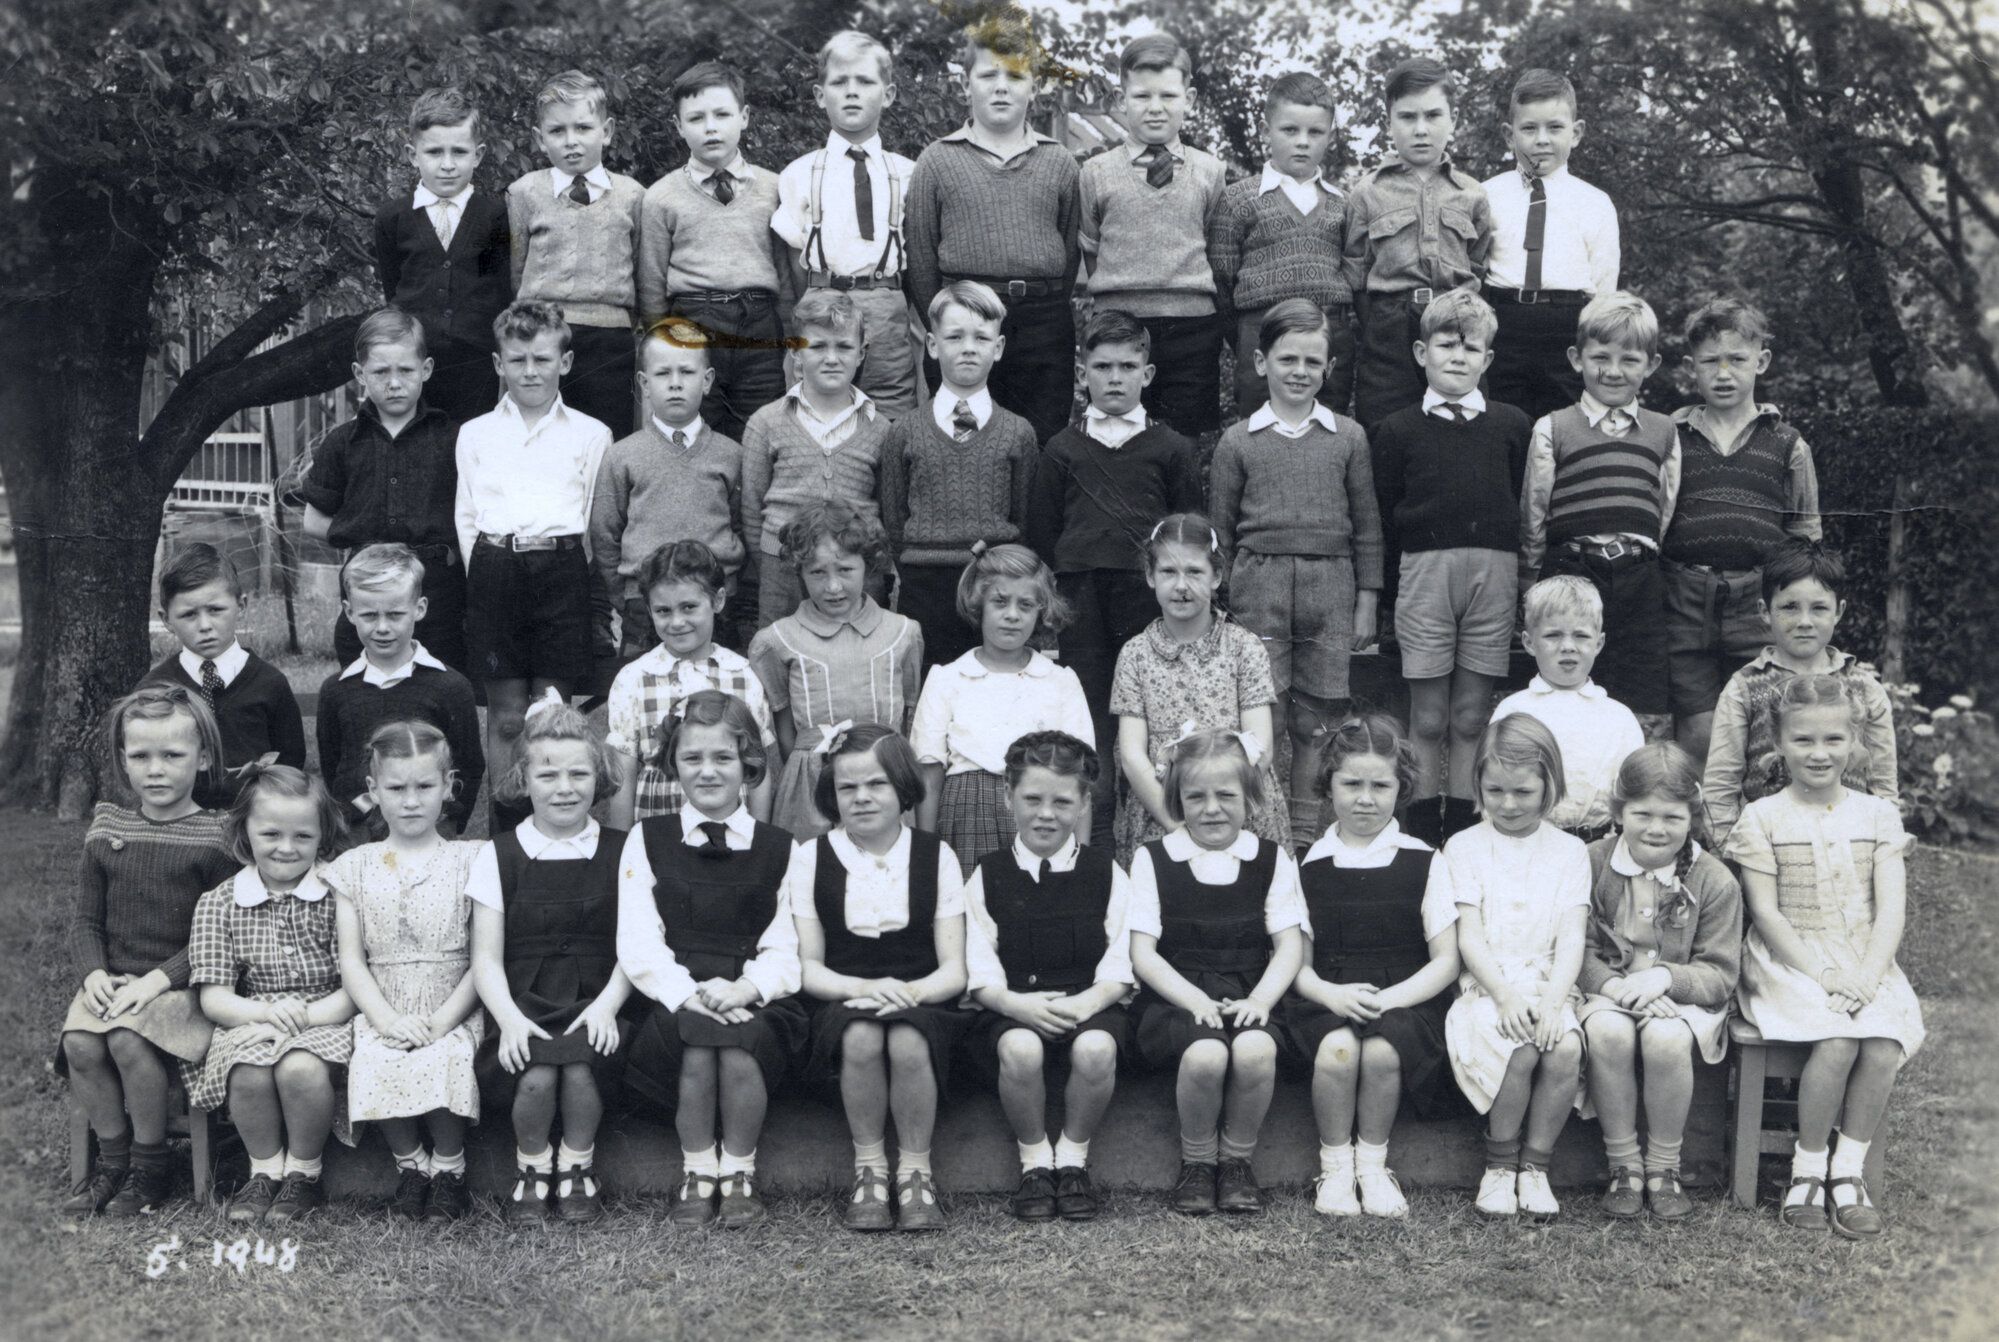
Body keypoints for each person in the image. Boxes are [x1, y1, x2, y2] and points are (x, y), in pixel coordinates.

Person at [1728, 675, 1924, 1238]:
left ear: (1855, 742)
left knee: (1882, 1043)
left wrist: (1865, 974)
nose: (1819, 753)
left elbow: (1890, 911)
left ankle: (1848, 1173)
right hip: (1790, 959)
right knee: (1836, 1041)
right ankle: (1806, 1171)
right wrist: (1826, 974)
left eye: (1834, 740)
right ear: (1779, 743)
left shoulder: (1878, 816)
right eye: (1804, 741)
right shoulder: (1763, 817)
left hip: (1867, 956)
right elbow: (1767, 913)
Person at [618, 690, 805, 1230]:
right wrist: (688, 996)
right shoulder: (646, 840)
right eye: (692, 758)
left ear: (747, 764)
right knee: (700, 1043)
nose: (707, 772)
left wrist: (746, 989)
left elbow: (785, 944)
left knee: (738, 1042)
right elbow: (638, 939)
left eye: (723, 758)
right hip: (673, 1000)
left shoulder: (779, 846)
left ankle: (739, 1171)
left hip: (754, 1001)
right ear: (672, 764)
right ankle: (698, 1170)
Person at [1209, 299, 1382, 840]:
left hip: (1331, 584)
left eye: (1312, 362)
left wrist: (1367, 599)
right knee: (1268, 718)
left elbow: (1367, 523)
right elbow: (1219, 531)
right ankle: (1263, 830)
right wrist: (1222, 599)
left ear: (1329, 369)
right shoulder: (1237, 440)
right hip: (1258, 585)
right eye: (1288, 359)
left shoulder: (1348, 436)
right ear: (1261, 363)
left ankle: (1305, 833)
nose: (1300, 372)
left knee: (1316, 723)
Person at [59, 687, 234, 1218]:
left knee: (126, 1038)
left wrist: (158, 980)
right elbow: (86, 919)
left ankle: (151, 1167)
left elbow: (220, 934)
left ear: (203, 757)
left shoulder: (217, 835)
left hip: (182, 986)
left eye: (172, 755)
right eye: (140, 756)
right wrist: (93, 973)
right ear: (122, 760)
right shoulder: (109, 826)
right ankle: (112, 1161)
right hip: (115, 980)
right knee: (80, 1044)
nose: (155, 770)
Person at [786, 725, 970, 1232]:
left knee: (909, 1038)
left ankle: (916, 1172)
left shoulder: (937, 855)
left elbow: (954, 970)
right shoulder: (810, 857)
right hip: (841, 994)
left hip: (923, 994)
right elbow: (808, 968)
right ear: (832, 794)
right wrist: (862, 990)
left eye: (877, 785)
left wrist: (908, 994)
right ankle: (869, 1169)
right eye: (848, 788)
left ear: (904, 789)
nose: (862, 798)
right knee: (863, 1035)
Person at [1025, 309, 1204, 821]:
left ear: (1147, 374)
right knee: (1093, 721)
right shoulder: (1062, 449)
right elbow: (1043, 535)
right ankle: (1096, 837)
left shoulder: (1171, 447)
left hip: (1147, 600)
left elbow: (1189, 535)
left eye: (1128, 366)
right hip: (1082, 602)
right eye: (1102, 366)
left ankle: (1157, 827)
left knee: (1152, 715)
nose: (1115, 377)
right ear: (1082, 374)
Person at [1368, 289, 1531, 846]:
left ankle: (1462, 833)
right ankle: (1416, 834)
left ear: (1487, 359)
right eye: (1446, 344)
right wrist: (1390, 598)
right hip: (1424, 577)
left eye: (1471, 348)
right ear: (1421, 352)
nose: (1457, 357)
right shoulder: (1396, 430)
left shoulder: (1512, 425)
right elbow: (1386, 519)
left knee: (1469, 717)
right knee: (1430, 718)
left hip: (1494, 576)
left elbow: (1520, 498)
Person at [469, 696, 635, 1224]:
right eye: (548, 775)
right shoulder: (497, 854)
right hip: (524, 1000)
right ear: (522, 779)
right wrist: (510, 1020)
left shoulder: (624, 849)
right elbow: (486, 959)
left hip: (598, 998)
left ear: (601, 776)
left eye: (578, 774)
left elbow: (636, 945)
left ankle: (578, 1166)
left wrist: (609, 1005)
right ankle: (533, 1166)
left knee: (582, 1070)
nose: (564, 788)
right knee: (537, 1076)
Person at [1286, 715, 1459, 1218]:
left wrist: (1390, 999)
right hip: (1331, 998)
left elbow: (1446, 960)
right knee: (1339, 1049)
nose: (1366, 798)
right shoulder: (1310, 864)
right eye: (1351, 784)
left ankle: (1373, 1165)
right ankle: (1336, 1165)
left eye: (1380, 785)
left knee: (1383, 1051)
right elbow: (1299, 965)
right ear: (1328, 786)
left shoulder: (1425, 859)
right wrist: (1331, 996)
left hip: (1407, 998)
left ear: (1401, 788)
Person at [1130, 729, 1307, 1216]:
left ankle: (1236, 1161)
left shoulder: (1269, 859)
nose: (1211, 808)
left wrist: (1261, 1002)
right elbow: (1143, 954)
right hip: (1177, 997)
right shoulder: (1154, 858)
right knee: (1206, 1055)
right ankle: (1198, 1162)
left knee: (1254, 1049)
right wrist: (1194, 1002)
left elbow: (1289, 945)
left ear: (1250, 797)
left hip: (1251, 991)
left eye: (1226, 795)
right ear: (1176, 799)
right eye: (1196, 797)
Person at [961, 731, 1134, 1222]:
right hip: (1012, 1008)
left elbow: (1123, 958)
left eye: (1062, 801)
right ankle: (1036, 1161)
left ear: (1083, 805)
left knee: (1096, 1048)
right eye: (1032, 799)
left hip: (1090, 1005)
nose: (1045, 814)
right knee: (1021, 1048)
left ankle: (1073, 1160)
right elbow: (978, 963)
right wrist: (1015, 1006)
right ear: (1008, 797)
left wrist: (1086, 1005)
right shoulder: (988, 874)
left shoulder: (1106, 872)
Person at [1423, 712, 1589, 1221]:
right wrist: (1506, 996)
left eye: (1522, 791)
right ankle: (1499, 1165)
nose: (1508, 804)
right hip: (1487, 988)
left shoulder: (1570, 851)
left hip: (1550, 984)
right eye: (1494, 790)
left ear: (1549, 785)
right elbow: (1468, 936)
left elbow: (1572, 936)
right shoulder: (1464, 847)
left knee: (1562, 1048)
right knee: (1516, 1045)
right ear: (1477, 785)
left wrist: (1554, 1003)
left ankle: (1535, 1168)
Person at [454, 299, 612, 829]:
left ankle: (551, 826)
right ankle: (506, 829)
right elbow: (467, 516)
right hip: (496, 570)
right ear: (498, 364)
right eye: (517, 359)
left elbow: (592, 518)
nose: (530, 371)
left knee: (548, 713)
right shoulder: (476, 433)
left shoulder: (591, 434)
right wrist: (489, 572)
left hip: (562, 575)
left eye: (542, 359)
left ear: (564, 363)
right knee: (503, 718)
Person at [1578, 742, 1741, 1221]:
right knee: (1608, 1031)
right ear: (1618, 811)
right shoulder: (1590, 863)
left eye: (1672, 817)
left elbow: (1720, 972)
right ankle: (1623, 1164)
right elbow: (1576, 947)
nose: (1655, 828)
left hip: (1679, 1002)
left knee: (1668, 1039)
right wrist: (1615, 988)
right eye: (1642, 813)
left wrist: (1664, 978)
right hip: (1604, 991)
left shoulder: (1714, 880)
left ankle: (1664, 1167)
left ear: (1693, 816)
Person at [186, 765, 356, 1226]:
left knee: (300, 1067)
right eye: (271, 833)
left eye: (303, 836)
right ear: (244, 831)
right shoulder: (219, 901)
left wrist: (305, 1019)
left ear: (324, 835)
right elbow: (215, 998)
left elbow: (354, 988)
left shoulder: (340, 894)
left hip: (327, 1014)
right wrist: (265, 1013)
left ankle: (304, 1173)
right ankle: (264, 1169)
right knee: (246, 1072)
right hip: (251, 1014)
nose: (286, 847)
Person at [328, 721, 483, 1224]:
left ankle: (449, 1170)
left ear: (449, 787)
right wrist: (387, 1019)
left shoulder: (474, 860)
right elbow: (352, 959)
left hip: (454, 1000)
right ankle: (411, 1166)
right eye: (396, 788)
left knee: (446, 1055)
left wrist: (440, 1022)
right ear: (373, 792)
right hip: (384, 1002)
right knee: (376, 1057)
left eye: (425, 786)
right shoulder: (353, 866)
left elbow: (484, 958)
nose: (411, 800)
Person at [905, 14, 1081, 443]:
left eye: (1015, 75)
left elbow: (1069, 253)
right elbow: (922, 257)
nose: (1001, 86)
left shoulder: (1059, 161)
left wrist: (1042, 302)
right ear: (966, 85)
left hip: (1043, 324)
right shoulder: (938, 160)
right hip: (964, 321)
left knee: (1042, 442)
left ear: (1035, 87)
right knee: (964, 439)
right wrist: (949, 320)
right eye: (988, 74)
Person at [1665, 297, 1822, 761]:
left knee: (1763, 723)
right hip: (1685, 595)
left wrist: (1794, 606)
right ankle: (1700, 828)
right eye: (1710, 361)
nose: (1724, 373)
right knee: (1696, 727)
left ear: (1762, 361)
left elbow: (1806, 535)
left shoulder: (1788, 444)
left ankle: (1754, 827)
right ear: (1691, 367)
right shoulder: (1669, 434)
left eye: (1737, 359)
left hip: (1757, 600)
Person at [1518, 290, 1678, 723]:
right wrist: (1532, 580)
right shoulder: (1553, 427)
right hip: (1572, 569)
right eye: (1600, 357)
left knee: (1641, 694)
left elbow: (1663, 508)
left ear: (1651, 365)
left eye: (1629, 360)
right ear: (1576, 358)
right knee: (1564, 686)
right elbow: (1536, 509)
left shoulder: (1664, 431)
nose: (1613, 371)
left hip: (1638, 578)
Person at [879, 281, 1039, 671]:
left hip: (994, 584)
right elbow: (893, 514)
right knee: (931, 684)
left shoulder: (1018, 432)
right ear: (933, 345)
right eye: (955, 336)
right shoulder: (905, 430)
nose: (969, 347)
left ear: (997, 348)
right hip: (925, 583)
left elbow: (1023, 517)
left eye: (981, 337)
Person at [299, 309, 470, 672]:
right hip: (367, 588)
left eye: (406, 371)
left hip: (436, 594)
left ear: (425, 370)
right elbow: (313, 521)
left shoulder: (453, 439)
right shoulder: (342, 442)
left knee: (436, 690)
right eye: (380, 372)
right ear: (360, 375)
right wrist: (366, 541)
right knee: (367, 693)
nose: (394, 383)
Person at [1112, 514, 1288, 863]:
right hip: (1162, 810)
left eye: (1194, 572)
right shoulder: (1135, 653)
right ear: (1150, 576)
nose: (1181, 585)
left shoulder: (1244, 647)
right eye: (1168, 572)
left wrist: (1226, 816)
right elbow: (1132, 755)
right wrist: (1177, 825)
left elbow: (1261, 747)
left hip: (1239, 810)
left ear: (1217, 577)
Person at [911, 544, 1093, 877]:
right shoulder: (947, 678)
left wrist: (1080, 858)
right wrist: (926, 853)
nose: (1012, 614)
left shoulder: (1060, 681)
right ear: (979, 604)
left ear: (1041, 610)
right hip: (966, 814)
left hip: (1041, 808)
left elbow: (1079, 778)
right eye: (1000, 601)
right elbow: (929, 778)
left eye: (1025, 605)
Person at [1701, 540, 1897, 848]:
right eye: (1790, 607)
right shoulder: (1744, 687)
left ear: (1838, 612)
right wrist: (1732, 855)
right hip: (1771, 851)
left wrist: (1886, 849)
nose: (1804, 621)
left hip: (1850, 847)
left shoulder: (1865, 688)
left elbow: (1883, 786)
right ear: (1765, 611)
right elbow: (1720, 786)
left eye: (1819, 608)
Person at [1081, 33, 1229, 438]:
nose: (1155, 108)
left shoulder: (1210, 171)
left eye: (1168, 96)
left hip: (1192, 328)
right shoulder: (1096, 172)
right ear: (1120, 98)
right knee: (1117, 438)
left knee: (1182, 442)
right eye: (1142, 96)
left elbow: (1214, 248)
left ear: (1190, 100)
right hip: (1118, 327)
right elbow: (1093, 249)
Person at [748, 502, 923, 840]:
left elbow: (907, 721)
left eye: (845, 570)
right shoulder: (776, 641)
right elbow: (784, 730)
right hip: (810, 790)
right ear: (799, 572)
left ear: (868, 566)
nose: (832, 587)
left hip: (884, 780)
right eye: (817, 573)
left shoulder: (903, 633)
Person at [638, 60, 788, 441]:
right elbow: (652, 285)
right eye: (696, 118)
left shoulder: (775, 189)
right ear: (678, 126)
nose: (710, 127)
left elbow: (785, 273)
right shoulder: (661, 197)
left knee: (761, 431)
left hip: (759, 325)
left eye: (722, 114)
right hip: (693, 323)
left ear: (744, 117)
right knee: (696, 431)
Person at [774, 30, 920, 417]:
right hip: (820, 306)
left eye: (865, 82)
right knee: (814, 412)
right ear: (820, 95)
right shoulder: (800, 173)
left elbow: (920, 259)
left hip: (886, 307)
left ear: (888, 94)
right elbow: (791, 261)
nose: (851, 92)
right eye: (839, 82)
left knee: (890, 415)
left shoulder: (908, 174)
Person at [1344, 57, 1493, 430]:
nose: (1421, 129)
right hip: (1388, 330)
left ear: (1453, 119)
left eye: (1433, 115)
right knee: (1384, 426)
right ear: (1388, 122)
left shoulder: (1472, 194)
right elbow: (1356, 276)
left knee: (1462, 429)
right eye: (1408, 117)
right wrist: (1383, 322)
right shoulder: (1367, 192)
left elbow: (1478, 268)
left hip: (1457, 322)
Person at [589, 324, 747, 660]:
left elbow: (740, 524)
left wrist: (727, 587)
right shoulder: (622, 455)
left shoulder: (730, 454)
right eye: (663, 373)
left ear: (706, 380)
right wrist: (629, 595)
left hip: (714, 605)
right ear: (644, 384)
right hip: (644, 607)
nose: (675, 383)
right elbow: (605, 533)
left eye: (687, 372)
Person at [739, 290, 893, 631]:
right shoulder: (766, 422)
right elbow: (750, 509)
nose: (832, 358)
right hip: (783, 569)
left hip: (858, 567)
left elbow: (885, 505)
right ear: (795, 351)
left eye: (844, 347)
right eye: (818, 346)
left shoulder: (880, 429)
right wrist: (774, 556)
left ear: (861, 353)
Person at [506, 69, 645, 436]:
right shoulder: (523, 193)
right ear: (539, 138)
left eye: (583, 128)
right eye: (557, 131)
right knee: (540, 435)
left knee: (606, 438)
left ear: (607, 131)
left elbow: (642, 270)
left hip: (609, 342)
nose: (571, 141)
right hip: (540, 338)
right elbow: (516, 270)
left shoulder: (633, 195)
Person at [1208, 70, 1354, 419]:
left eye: (1315, 132)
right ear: (1265, 131)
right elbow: (1221, 282)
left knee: (1326, 431)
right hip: (1262, 334)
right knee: (1261, 433)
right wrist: (1249, 338)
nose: (1302, 141)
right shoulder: (1239, 199)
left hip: (1328, 335)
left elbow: (1353, 272)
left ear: (1329, 137)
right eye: (1290, 130)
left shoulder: (1344, 204)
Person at [315, 544, 484, 841]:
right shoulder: (336, 690)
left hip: (430, 830)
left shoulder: (450, 687)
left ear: (419, 609)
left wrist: (448, 823)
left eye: (394, 615)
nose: (382, 627)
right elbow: (332, 766)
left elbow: (468, 766)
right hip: (357, 837)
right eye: (369, 615)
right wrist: (351, 820)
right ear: (349, 612)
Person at [606, 541, 777, 830]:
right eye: (663, 611)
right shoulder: (634, 678)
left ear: (718, 600)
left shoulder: (742, 675)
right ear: (649, 609)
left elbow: (758, 769)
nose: (677, 622)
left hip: (734, 836)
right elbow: (623, 776)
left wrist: (759, 840)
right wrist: (621, 850)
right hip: (658, 836)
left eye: (689, 607)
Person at [1479, 69, 1619, 422]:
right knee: (1503, 420)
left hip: (1568, 325)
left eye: (1555, 128)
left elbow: (1603, 286)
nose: (1542, 139)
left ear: (1577, 133)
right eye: (1529, 129)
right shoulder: (1485, 194)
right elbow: (1475, 265)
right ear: (1509, 136)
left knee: (1567, 424)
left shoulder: (1595, 202)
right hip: (1503, 323)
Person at [372, 88, 512, 422]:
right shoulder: (393, 218)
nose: (447, 165)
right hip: (413, 363)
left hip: (475, 362)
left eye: (459, 152)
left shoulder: (494, 216)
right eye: (434, 152)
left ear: (477, 155)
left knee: (466, 450)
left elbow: (500, 287)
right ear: (412, 154)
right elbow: (393, 288)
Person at [141, 543, 306, 811]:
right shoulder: (155, 688)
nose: (205, 626)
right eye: (189, 615)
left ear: (241, 605)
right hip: (178, 821)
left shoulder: (269, 683)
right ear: (167, 619)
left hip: (254, 819)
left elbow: (291, 759)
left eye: (216, 610)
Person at [1491, 576, 1643, 841]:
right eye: (1553, 635)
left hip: (1599, 845)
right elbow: (1493, 786)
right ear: (1528, 642)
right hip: (1529, 843)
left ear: (1599, 643)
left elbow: (1635, 793)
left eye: (1581, 636)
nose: (1568, 646)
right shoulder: (1513, 710)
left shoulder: (1619, 717)